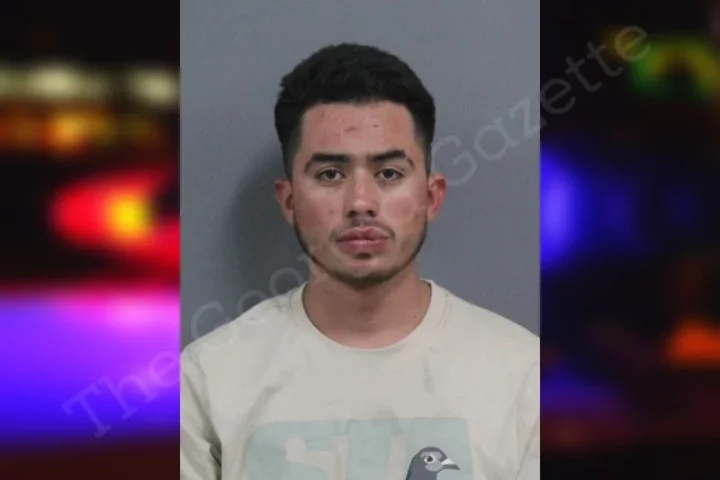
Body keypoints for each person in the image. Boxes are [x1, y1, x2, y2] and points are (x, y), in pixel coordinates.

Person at [181, 43, 539, 480]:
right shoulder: (208, 379)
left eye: (389, 173)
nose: (361, 202)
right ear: (289, 201)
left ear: (431, 197)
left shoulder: (522, 377)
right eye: (330, 174)